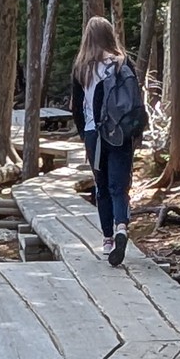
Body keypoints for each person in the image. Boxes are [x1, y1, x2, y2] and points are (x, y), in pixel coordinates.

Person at [70, 16, 141, 267]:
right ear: (110, 35)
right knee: (119, 186)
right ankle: (122, 226)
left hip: (95, 134)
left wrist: (84, 135)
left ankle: (108, 239)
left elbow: (77, 108)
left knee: (101, 188)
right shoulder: (123, 63)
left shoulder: (82, 67)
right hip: (121, 133)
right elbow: (135, 102)